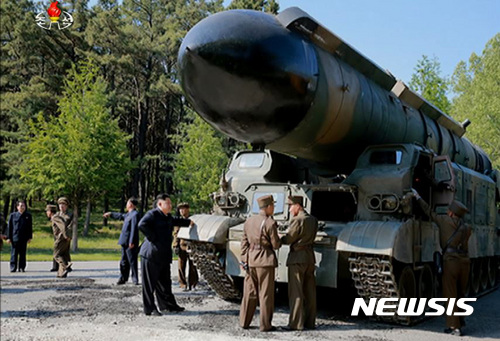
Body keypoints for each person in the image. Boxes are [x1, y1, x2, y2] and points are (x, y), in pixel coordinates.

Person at [410, 189, 471, 336]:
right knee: (460, 293)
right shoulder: (467, 228)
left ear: (450, 212)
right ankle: (460, 321)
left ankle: (454, 327)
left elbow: (429, 212)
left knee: (450, 294)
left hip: (451, 262)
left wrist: (417, 196)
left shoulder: (444, 221)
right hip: (465, 262)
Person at [138, 193, 193, 316]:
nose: (170, 205)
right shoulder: (153, 214)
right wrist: (153, 237)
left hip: (163, 255)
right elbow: (142, 225)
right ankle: (150, 309)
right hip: (151, 254)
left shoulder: (167, 216)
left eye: (170, 203)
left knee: (165, 283)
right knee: (149, 284)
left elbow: (175, 221)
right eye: (168, 203)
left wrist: (189, 222)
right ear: (160, 204)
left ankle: (168, 305)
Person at [239, 194, 281, 332]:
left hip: (251, 260)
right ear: (268, 207)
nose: (273, 208)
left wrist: (244, 260)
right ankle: (265, 325)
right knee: (265, 294)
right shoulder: (270, 222)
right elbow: (275, 245)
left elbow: (244, 243)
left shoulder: (249, 221)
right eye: (273, 206)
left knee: (249, 292)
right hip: (265, 261)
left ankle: (244, 322)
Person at [280, 196, 318, 331]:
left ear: (298, 206)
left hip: (297, 258)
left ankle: (296, 324)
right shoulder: (313, 220)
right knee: (310, 292)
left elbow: (289, 239)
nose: (290, 209)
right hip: (309, 258)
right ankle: (310, 322)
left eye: (291, 206)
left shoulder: (297, 220)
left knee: (295, 292)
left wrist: (279, 238)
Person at [104, 197, 140, 285]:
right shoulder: (128, 214)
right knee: (123, 261)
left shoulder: (135, 214)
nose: (126, 205)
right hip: (124, 241)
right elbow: (120, 216)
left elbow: (134, 228)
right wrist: (111, 214)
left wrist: (132, 241)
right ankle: (123, 278)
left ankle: (135, 279)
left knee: (132, 261)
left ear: (131, 204)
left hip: (130, 242)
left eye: (127, 203)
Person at [172, 202, 198, 291]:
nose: (181, 211)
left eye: (183, 209)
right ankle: (183, 284)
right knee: (181, 266)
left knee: (193, 266)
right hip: (182, 245)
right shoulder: (178, 220)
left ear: (188, 209)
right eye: (180, 209)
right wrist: (175, 245)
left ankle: (193, 284)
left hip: (192, 245)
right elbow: (176, 233)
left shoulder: (193, 219)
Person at [6, 200, 33, 272]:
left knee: (22, 253)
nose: (22, 207)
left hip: (24, 238)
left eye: (23, 206)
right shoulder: (13, 215)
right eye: (20, 206)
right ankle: (13, 267)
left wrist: (30, 237)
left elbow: (30, 227)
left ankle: (21, 267)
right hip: (15, 237)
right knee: (14, 253)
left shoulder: (28, 216)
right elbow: (9, 227)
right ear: (17, 207)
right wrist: (8, 237)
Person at [52, 197, 73, 278]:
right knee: (63, 254)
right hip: (60, 237)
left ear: (67, 205)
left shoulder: (68, 215)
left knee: (56, 255)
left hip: (62, 238)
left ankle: (65, 266)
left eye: (63, 204)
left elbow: (68, 226)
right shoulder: (57, 215)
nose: (61, 206)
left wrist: (67, 236)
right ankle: (61, 273)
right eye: (60, 204)